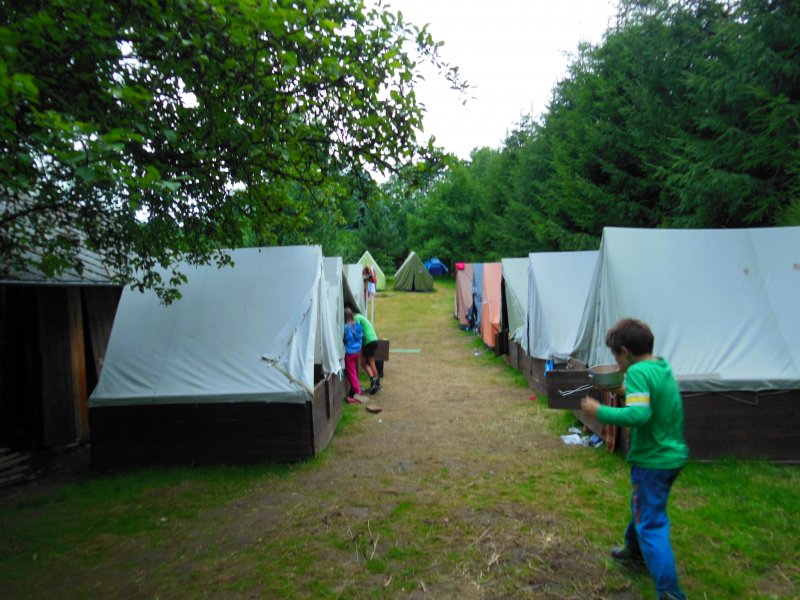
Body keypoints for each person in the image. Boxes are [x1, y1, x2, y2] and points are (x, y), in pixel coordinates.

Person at [580, 318, 689, 600]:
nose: (617, 364)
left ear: (625, 352)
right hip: (673, 456)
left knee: (651, 524)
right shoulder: (660, 367)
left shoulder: (637, 371)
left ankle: (670, 592)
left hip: (653, 461)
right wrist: (624, 392)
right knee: (641, 504)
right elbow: (653, 399)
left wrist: (599, 411)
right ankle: (633, 551)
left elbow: (639, 415)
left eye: (616, 357)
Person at [354, 310, 381, 394]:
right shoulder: (361, 316)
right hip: (372, 339)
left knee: (371, 362)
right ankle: (374, 381)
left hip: (369, 340)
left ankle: (376, 383)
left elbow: (357, 330)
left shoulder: (356, 317)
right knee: (364, 362)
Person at [343, 308, 363, 404]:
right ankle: (356, 389)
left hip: (350, 353)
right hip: (357, 351)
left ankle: (357, 392)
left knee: (351, 373)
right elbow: (360, 336)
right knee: (354, 371)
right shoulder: (357, 325)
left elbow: (344, 338)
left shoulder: (346, 327)